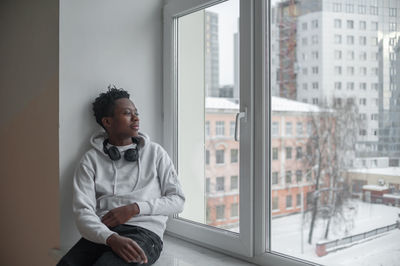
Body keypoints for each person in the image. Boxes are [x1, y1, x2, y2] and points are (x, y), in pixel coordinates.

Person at [57, 86, 185, 266]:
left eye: (136, 113)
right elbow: (83, 212)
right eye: (127, 113)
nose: (136, 118)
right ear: (107, 122)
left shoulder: (156, 153)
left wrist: (135, 208)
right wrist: (110, 237)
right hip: (103, 232)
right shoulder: (90, 160)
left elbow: (178, 200)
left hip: (144, 233)